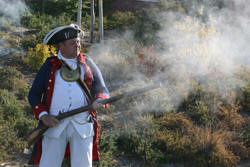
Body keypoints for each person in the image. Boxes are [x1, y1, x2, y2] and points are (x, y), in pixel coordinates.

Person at [28, 24, 109, 167]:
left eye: (78, 42)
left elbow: (101, 89)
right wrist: (44, 116)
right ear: (61, 45)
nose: (77, 46)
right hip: (54, 125)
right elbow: (33, 95)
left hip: (82, 125)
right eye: (72, 43)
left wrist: (99, 101)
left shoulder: (87, 63)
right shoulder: (49, 65)